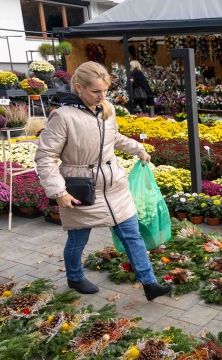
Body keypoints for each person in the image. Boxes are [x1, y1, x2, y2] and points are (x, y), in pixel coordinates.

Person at [35, 61, 173, 301]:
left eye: (105, 91)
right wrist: (59, 191)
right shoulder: (62, 117)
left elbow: (113, 137)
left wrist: (138, 148)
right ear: (79, 87)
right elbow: (45, 156)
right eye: (96, 91)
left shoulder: (107, 110)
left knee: (132, 235)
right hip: (81, 189)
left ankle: (149, 283)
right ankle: (75, 277)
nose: (102, 96)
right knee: (78, 238)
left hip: (114, 186)